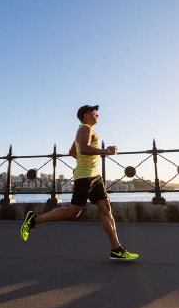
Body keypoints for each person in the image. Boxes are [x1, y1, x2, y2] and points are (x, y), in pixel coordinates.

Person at [21, 105, 138, 261]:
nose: (97, 115)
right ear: (86, 115)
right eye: (94, 112)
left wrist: (86, 162)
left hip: (95, 176)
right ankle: (34, 220)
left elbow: (73, 152)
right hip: (85, 178)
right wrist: (106, 152)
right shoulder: (85, 129)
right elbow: (82, 149)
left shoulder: (86, 130)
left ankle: (116, 249)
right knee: (73, 212)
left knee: (106, 207)